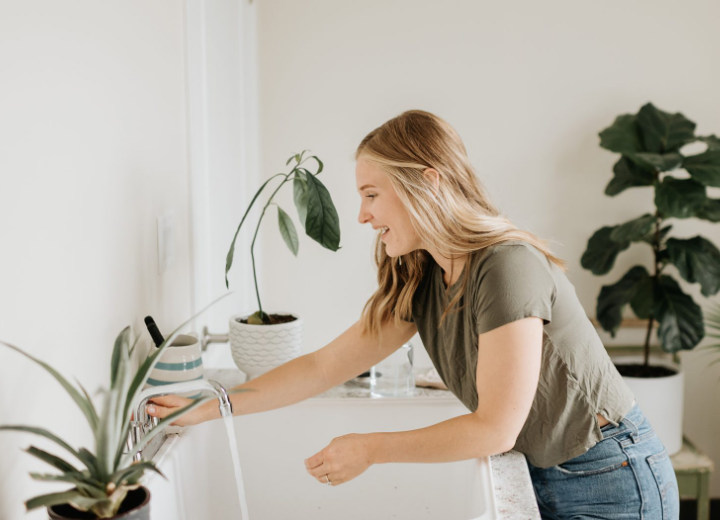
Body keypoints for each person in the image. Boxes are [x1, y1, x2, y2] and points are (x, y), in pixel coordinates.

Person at [148, 110, 680, 519]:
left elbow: (495, 428)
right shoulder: (423, 280)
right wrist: (211, 405)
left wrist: (371, 449)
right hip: (549, 470)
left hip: (612, 475)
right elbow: (321, 368)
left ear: (428, 183)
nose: (361, 215)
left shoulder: (506, 267)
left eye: (372, 194)